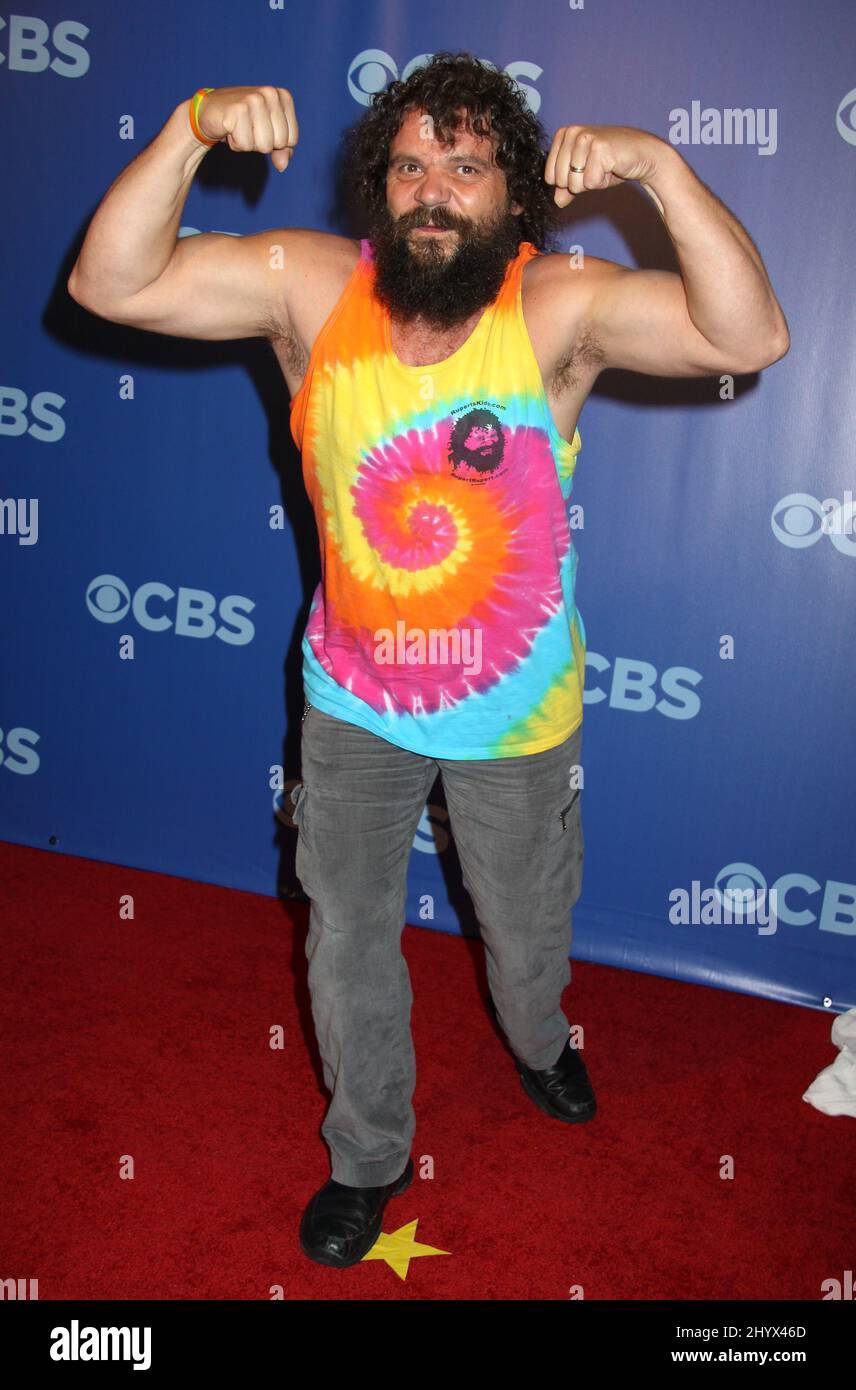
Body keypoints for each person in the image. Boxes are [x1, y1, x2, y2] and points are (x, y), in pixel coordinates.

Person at [67, 52, 789, 1271]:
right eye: (409, 163)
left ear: (512, 193)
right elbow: (108, 279)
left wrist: (661, 168)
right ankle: (367, 1153)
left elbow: (747, 331)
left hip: (515, 722)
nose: (433, 188)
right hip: (352, 703)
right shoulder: (309, 288)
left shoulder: (554, 307)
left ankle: (544, 1037)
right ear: (378, 185)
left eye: (465, 163)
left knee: (521, 938)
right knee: (345, 932)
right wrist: (190, 129)